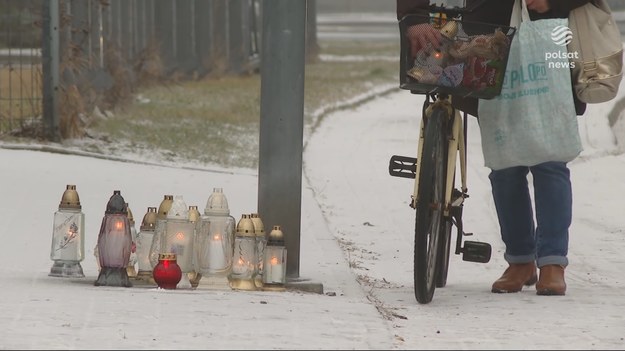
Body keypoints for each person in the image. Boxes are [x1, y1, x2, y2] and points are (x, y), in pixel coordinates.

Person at [396, 0, 591, 296]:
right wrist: (415, 17)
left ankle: (552, 263)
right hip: (482, 40)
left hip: (544, 35)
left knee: (549, 157)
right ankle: (520, 260)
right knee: (504, 163)